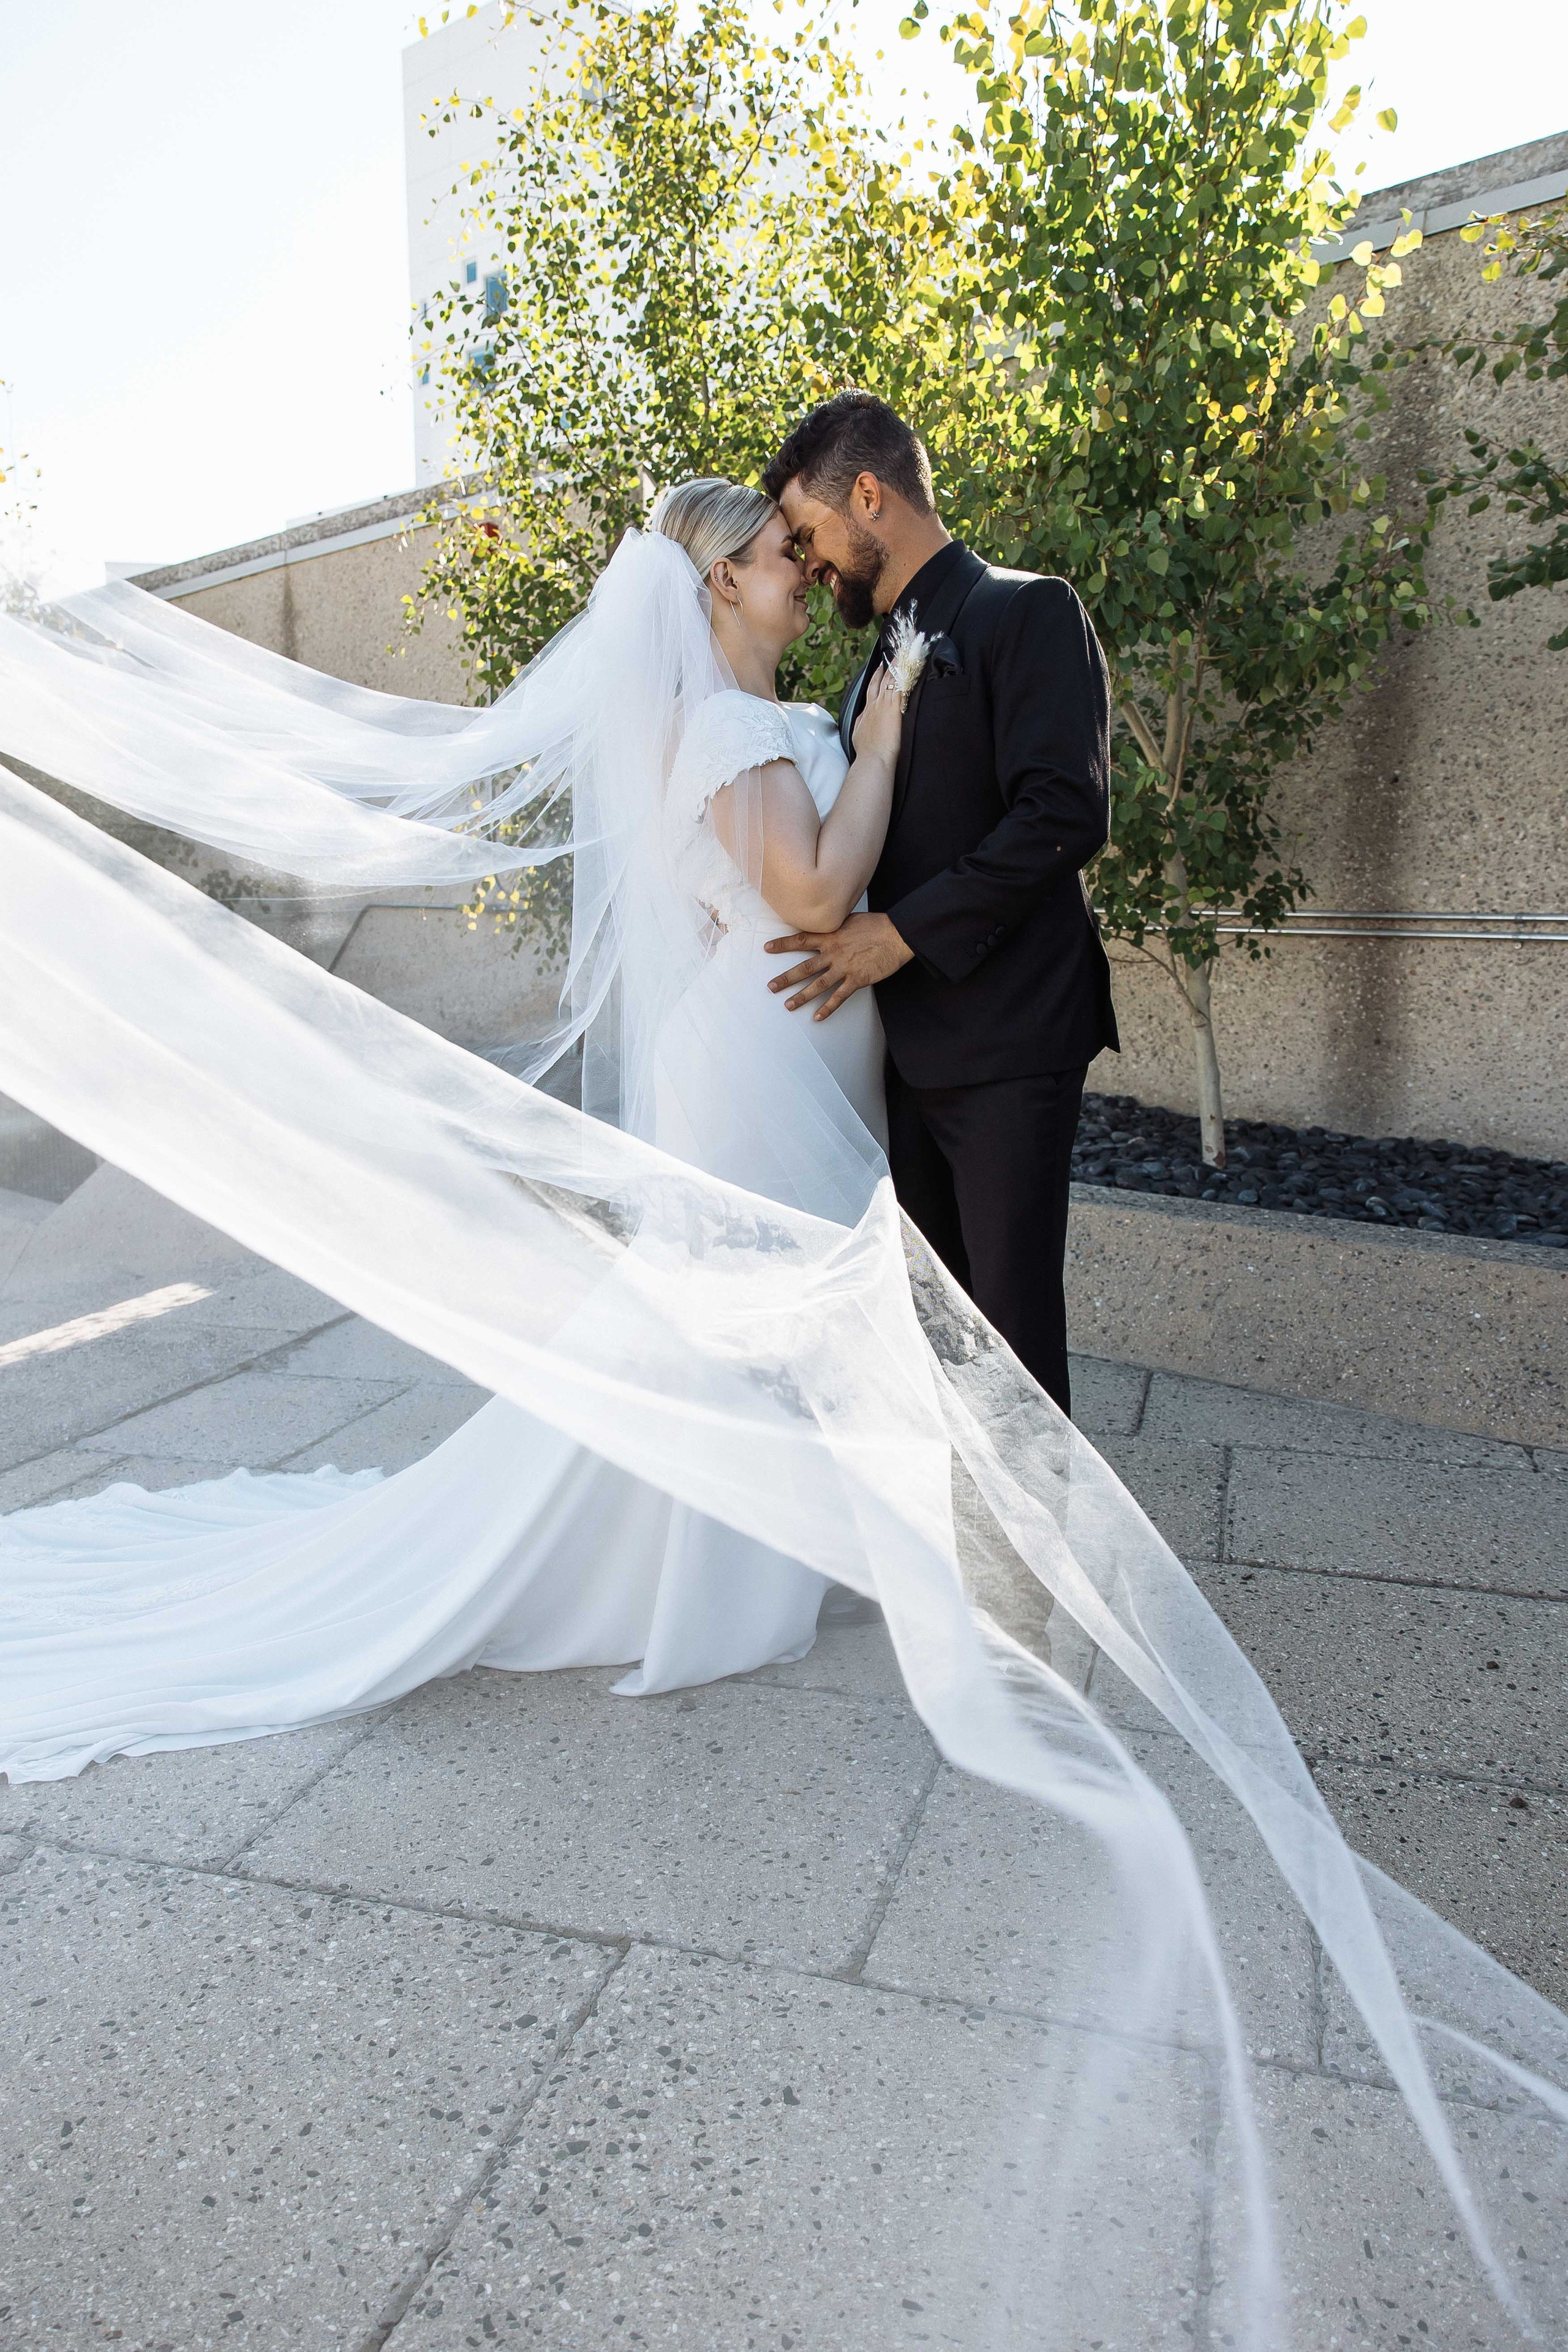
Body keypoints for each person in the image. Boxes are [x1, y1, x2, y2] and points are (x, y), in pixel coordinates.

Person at [761, 393, 1120, 1417]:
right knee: (940, 1346)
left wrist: (901, 935)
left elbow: (1065, 811)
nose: (809, 560)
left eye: (812, 533)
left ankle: (1038, 1577)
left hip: (1009, 1043)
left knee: (1011, 1350)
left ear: (868, 496)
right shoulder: (874, 663)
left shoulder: (1028, 610)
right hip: (903, 1060)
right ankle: (960, 1558)